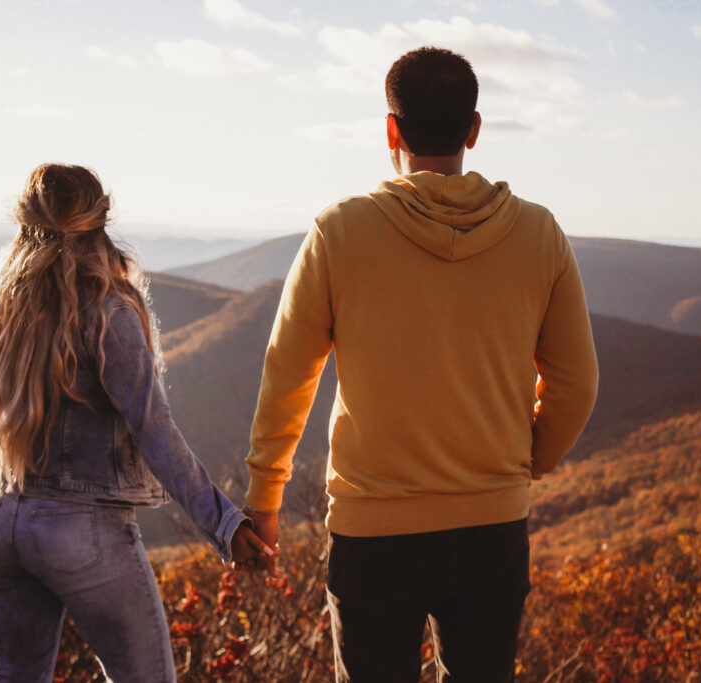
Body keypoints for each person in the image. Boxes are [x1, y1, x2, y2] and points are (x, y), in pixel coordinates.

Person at [242, 47, 599, 682]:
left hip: (373, 532)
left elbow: (288, 376)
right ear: (474, 129)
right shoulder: (539, 234)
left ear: (391, 129)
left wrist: (265, 498)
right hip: (493, 526)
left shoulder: (339, 232)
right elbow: (576, 383)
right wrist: (523, 462)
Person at [0, 163, 271, 683]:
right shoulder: (106, 313)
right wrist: (224, 524)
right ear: (100, 222)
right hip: (82, 531)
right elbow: (155, 431)